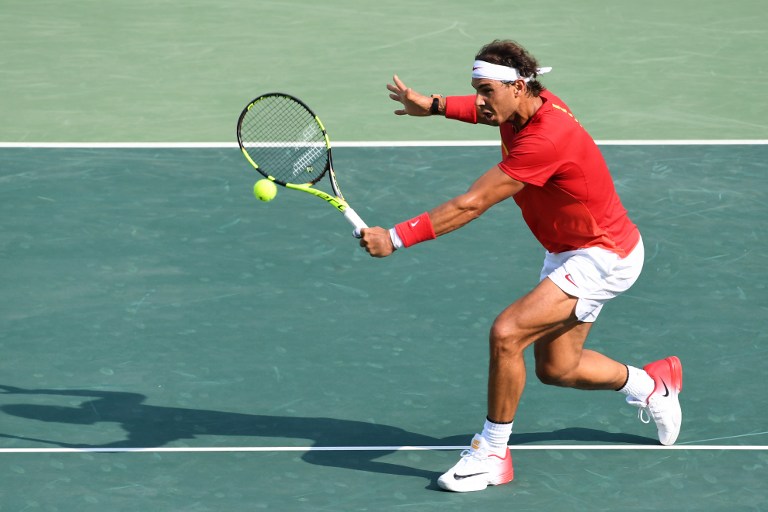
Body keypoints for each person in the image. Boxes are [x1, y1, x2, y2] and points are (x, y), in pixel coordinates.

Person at [358, 40, 682, 493]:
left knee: (507, 333)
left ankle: (492, 454)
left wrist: (395, 237)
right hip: (568, 248)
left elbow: (472, 204)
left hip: (603, 255)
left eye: (487, 90)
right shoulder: (526, 105)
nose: (480, 100)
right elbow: (484, 112)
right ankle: (651, 384)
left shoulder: (546, 137)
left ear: (519, 86)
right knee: (559, 368)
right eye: (477, 89)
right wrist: (431, 105)